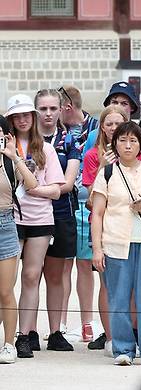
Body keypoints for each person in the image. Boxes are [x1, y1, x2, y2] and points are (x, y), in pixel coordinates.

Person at [90, 121, 141, 367]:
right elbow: (98, 213)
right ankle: (123, 348)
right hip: (115, 243)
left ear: (140, 145)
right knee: (118, 298)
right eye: (122, 140)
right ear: (114, 144)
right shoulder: (108, 173)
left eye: (133, 140)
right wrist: (97, 248)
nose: (127, 145)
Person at [6, 94, 65, 359]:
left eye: (26, 115)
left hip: (40, 219)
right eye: (16, 116)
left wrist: (35, 188)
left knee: (31, 277)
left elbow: (56, 191)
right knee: (7, 280)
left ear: (32, 117)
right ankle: (8, 333)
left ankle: (24, 335)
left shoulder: (46, 148)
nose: (22, 120)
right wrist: (41, 188)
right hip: (10, 218)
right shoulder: (5, 146)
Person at [81, 106, 136, 354]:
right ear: (102, 127)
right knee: (107, 282)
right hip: (103, 224)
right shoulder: (93, 156)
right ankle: (112, 336)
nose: (114, 128)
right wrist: (103, 167)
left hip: (131, 223)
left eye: (119, 123)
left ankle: (132, 334)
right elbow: (90, 199)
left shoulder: (138, 154)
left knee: (133, 283)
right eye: (109, 124)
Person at [34, 89, 80, 352]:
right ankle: (26, 331)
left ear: (62, 109)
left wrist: (37, 188)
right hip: (29, 216)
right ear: (36, 110)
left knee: (55, 275)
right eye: (43, 109)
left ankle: (54, 332)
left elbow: (68, 183)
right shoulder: (26, 139)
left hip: (60, 214)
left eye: (53, 108)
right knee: (30, 275)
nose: (48, 114)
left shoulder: (69, 140)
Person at [58, 85, 98, 343]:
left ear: (67, 107)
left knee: (85, 265)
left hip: (87, 204)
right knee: (61, 266)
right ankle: (59, 323)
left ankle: (87, 322)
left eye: (57, 108)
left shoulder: (95, 128)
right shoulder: (57, 132)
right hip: (62, 204)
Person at [0, 115, 38, 364]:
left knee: (5, 290)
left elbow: (33, 184)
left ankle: (8, 344)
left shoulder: (9, 162)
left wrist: (14, 155)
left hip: (4, 224)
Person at [82, 82, 141, 157]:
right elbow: (84, 166)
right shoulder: (94, 136)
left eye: (124, 103)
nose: (118, 107)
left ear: (132, 107)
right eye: (114, 102)